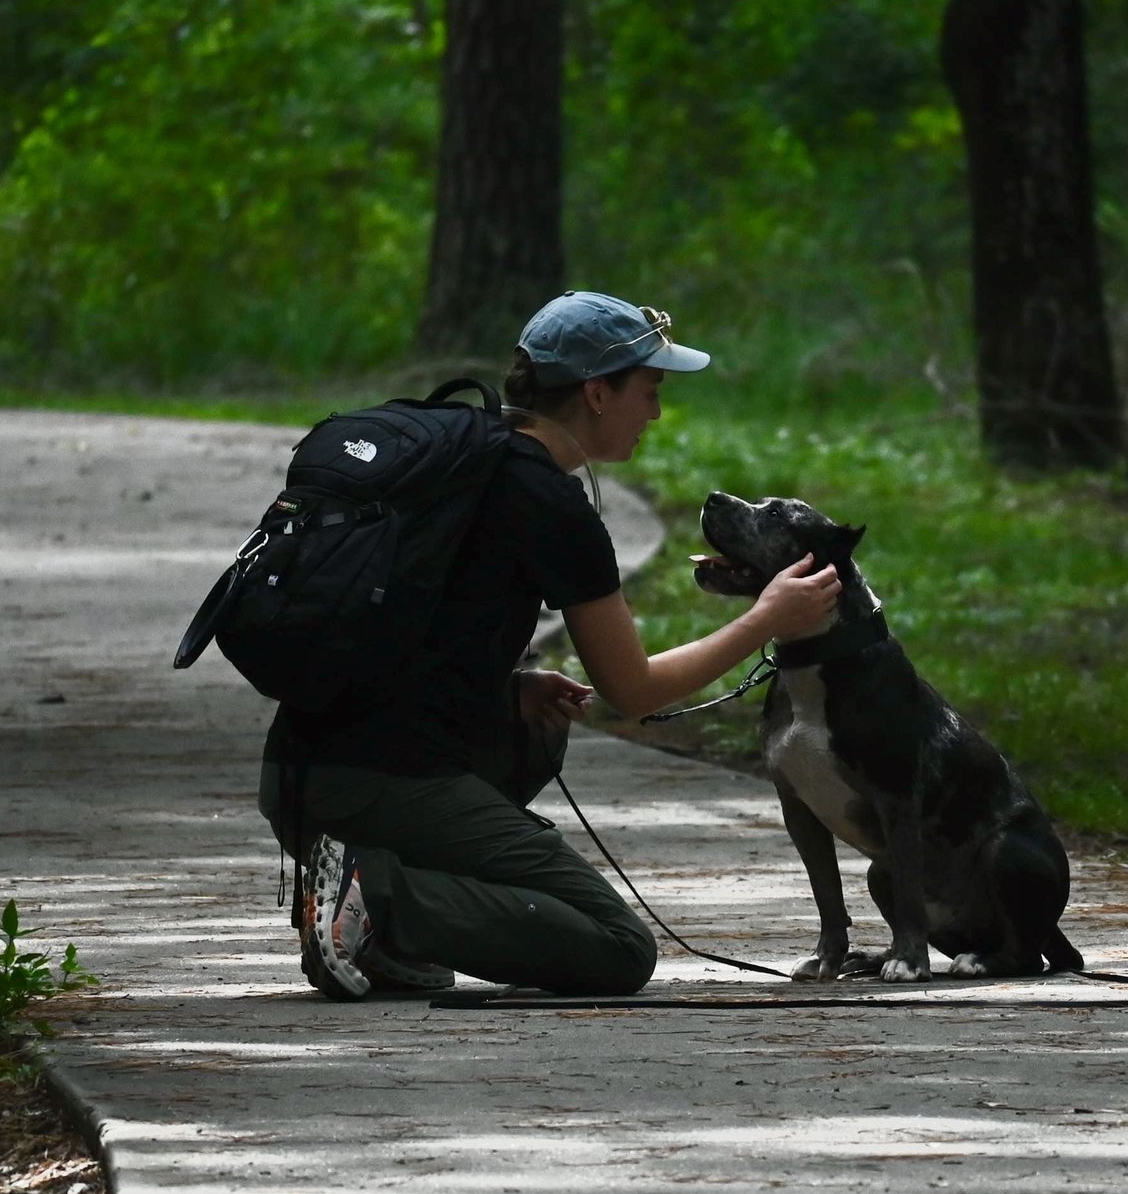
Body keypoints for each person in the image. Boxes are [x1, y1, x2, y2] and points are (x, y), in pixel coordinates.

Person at [258, 291, 839, 999]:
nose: (654, 411)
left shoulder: (464, 459)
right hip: (378, 780)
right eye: (649, 390)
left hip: (298, 771)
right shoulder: (548, 501)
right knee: (619, 947)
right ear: (597, 392)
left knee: (538, 732)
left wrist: (504, 689)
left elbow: (407, 625)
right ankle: (373, 895)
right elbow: (634, 690)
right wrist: (767, 617)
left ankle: (374, 907)